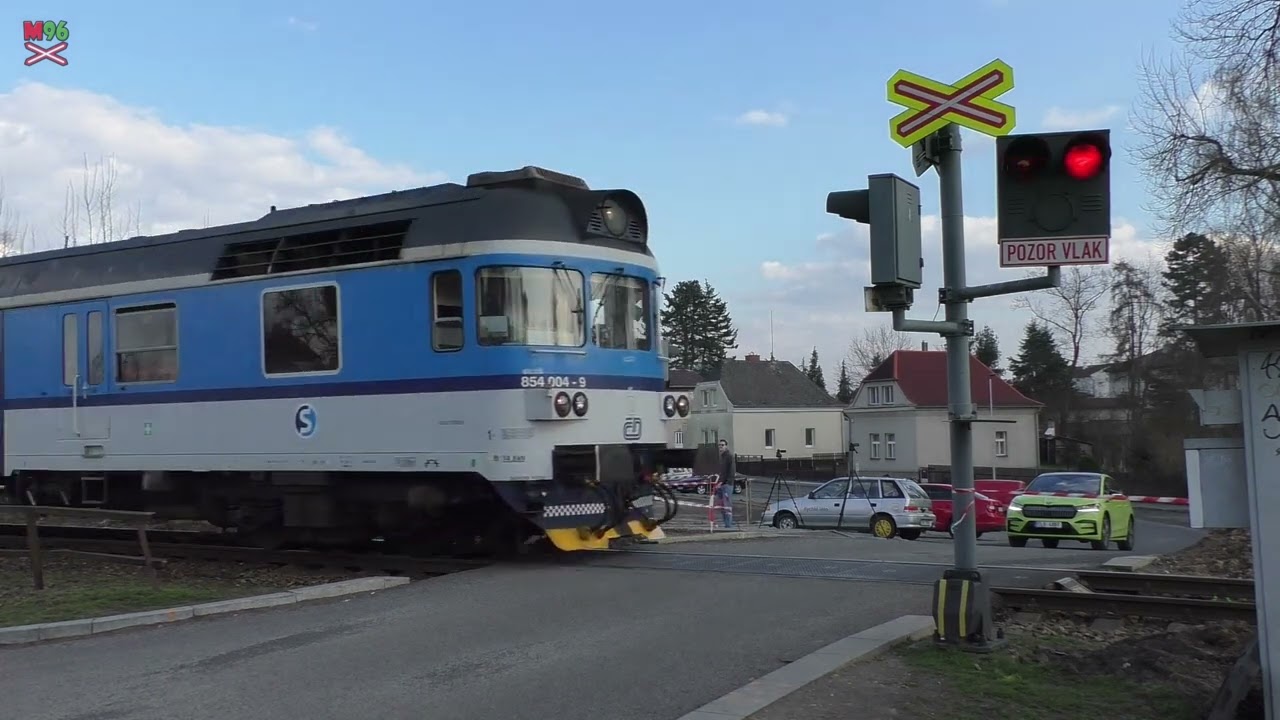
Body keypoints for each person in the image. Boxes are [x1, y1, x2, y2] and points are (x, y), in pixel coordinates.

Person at [714, 439, 736, 529]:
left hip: (727, 484)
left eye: (722, 445)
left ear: (726, 446)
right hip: (720, 484)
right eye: (719, 445)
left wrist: (724, 482)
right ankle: (726, 523)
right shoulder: (721, 457)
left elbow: (731, 472)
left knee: (727, 505)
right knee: (722, 505)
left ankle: (728, 525)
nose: (721, 447)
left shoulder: (729, 456)